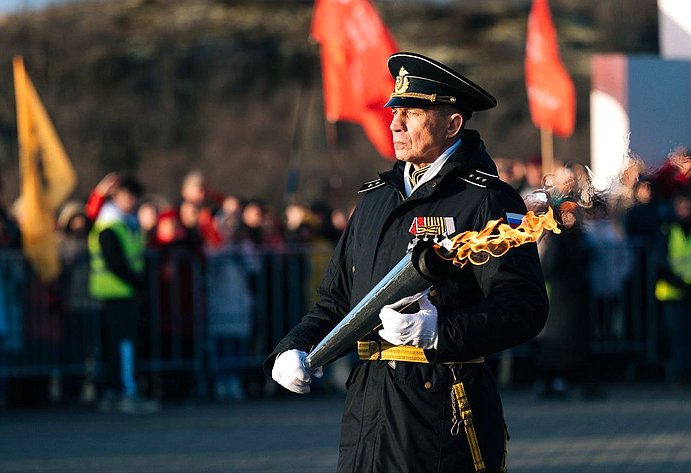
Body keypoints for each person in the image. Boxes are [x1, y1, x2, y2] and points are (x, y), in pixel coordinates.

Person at [265, 52, 548, 473]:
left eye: (412, 113)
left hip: (442, 408)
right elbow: (337, 298)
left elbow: (524, 307)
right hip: (368, 408)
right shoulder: (375, 198)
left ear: (453, 123)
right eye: (395, 111)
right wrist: (294, 345)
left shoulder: (485, 198)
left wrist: (439, 332)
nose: (395, 123)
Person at [87, 175, 158, 413]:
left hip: (127, 293)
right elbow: (116, 263)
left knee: (124, 343)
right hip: (116, 292)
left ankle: (119, 390)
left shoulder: (129, 223)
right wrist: (139, 284)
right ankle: (126, 391)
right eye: (125, 195)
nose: (130, 200)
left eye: (133, 196)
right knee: (123, 344)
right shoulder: (109, 225)